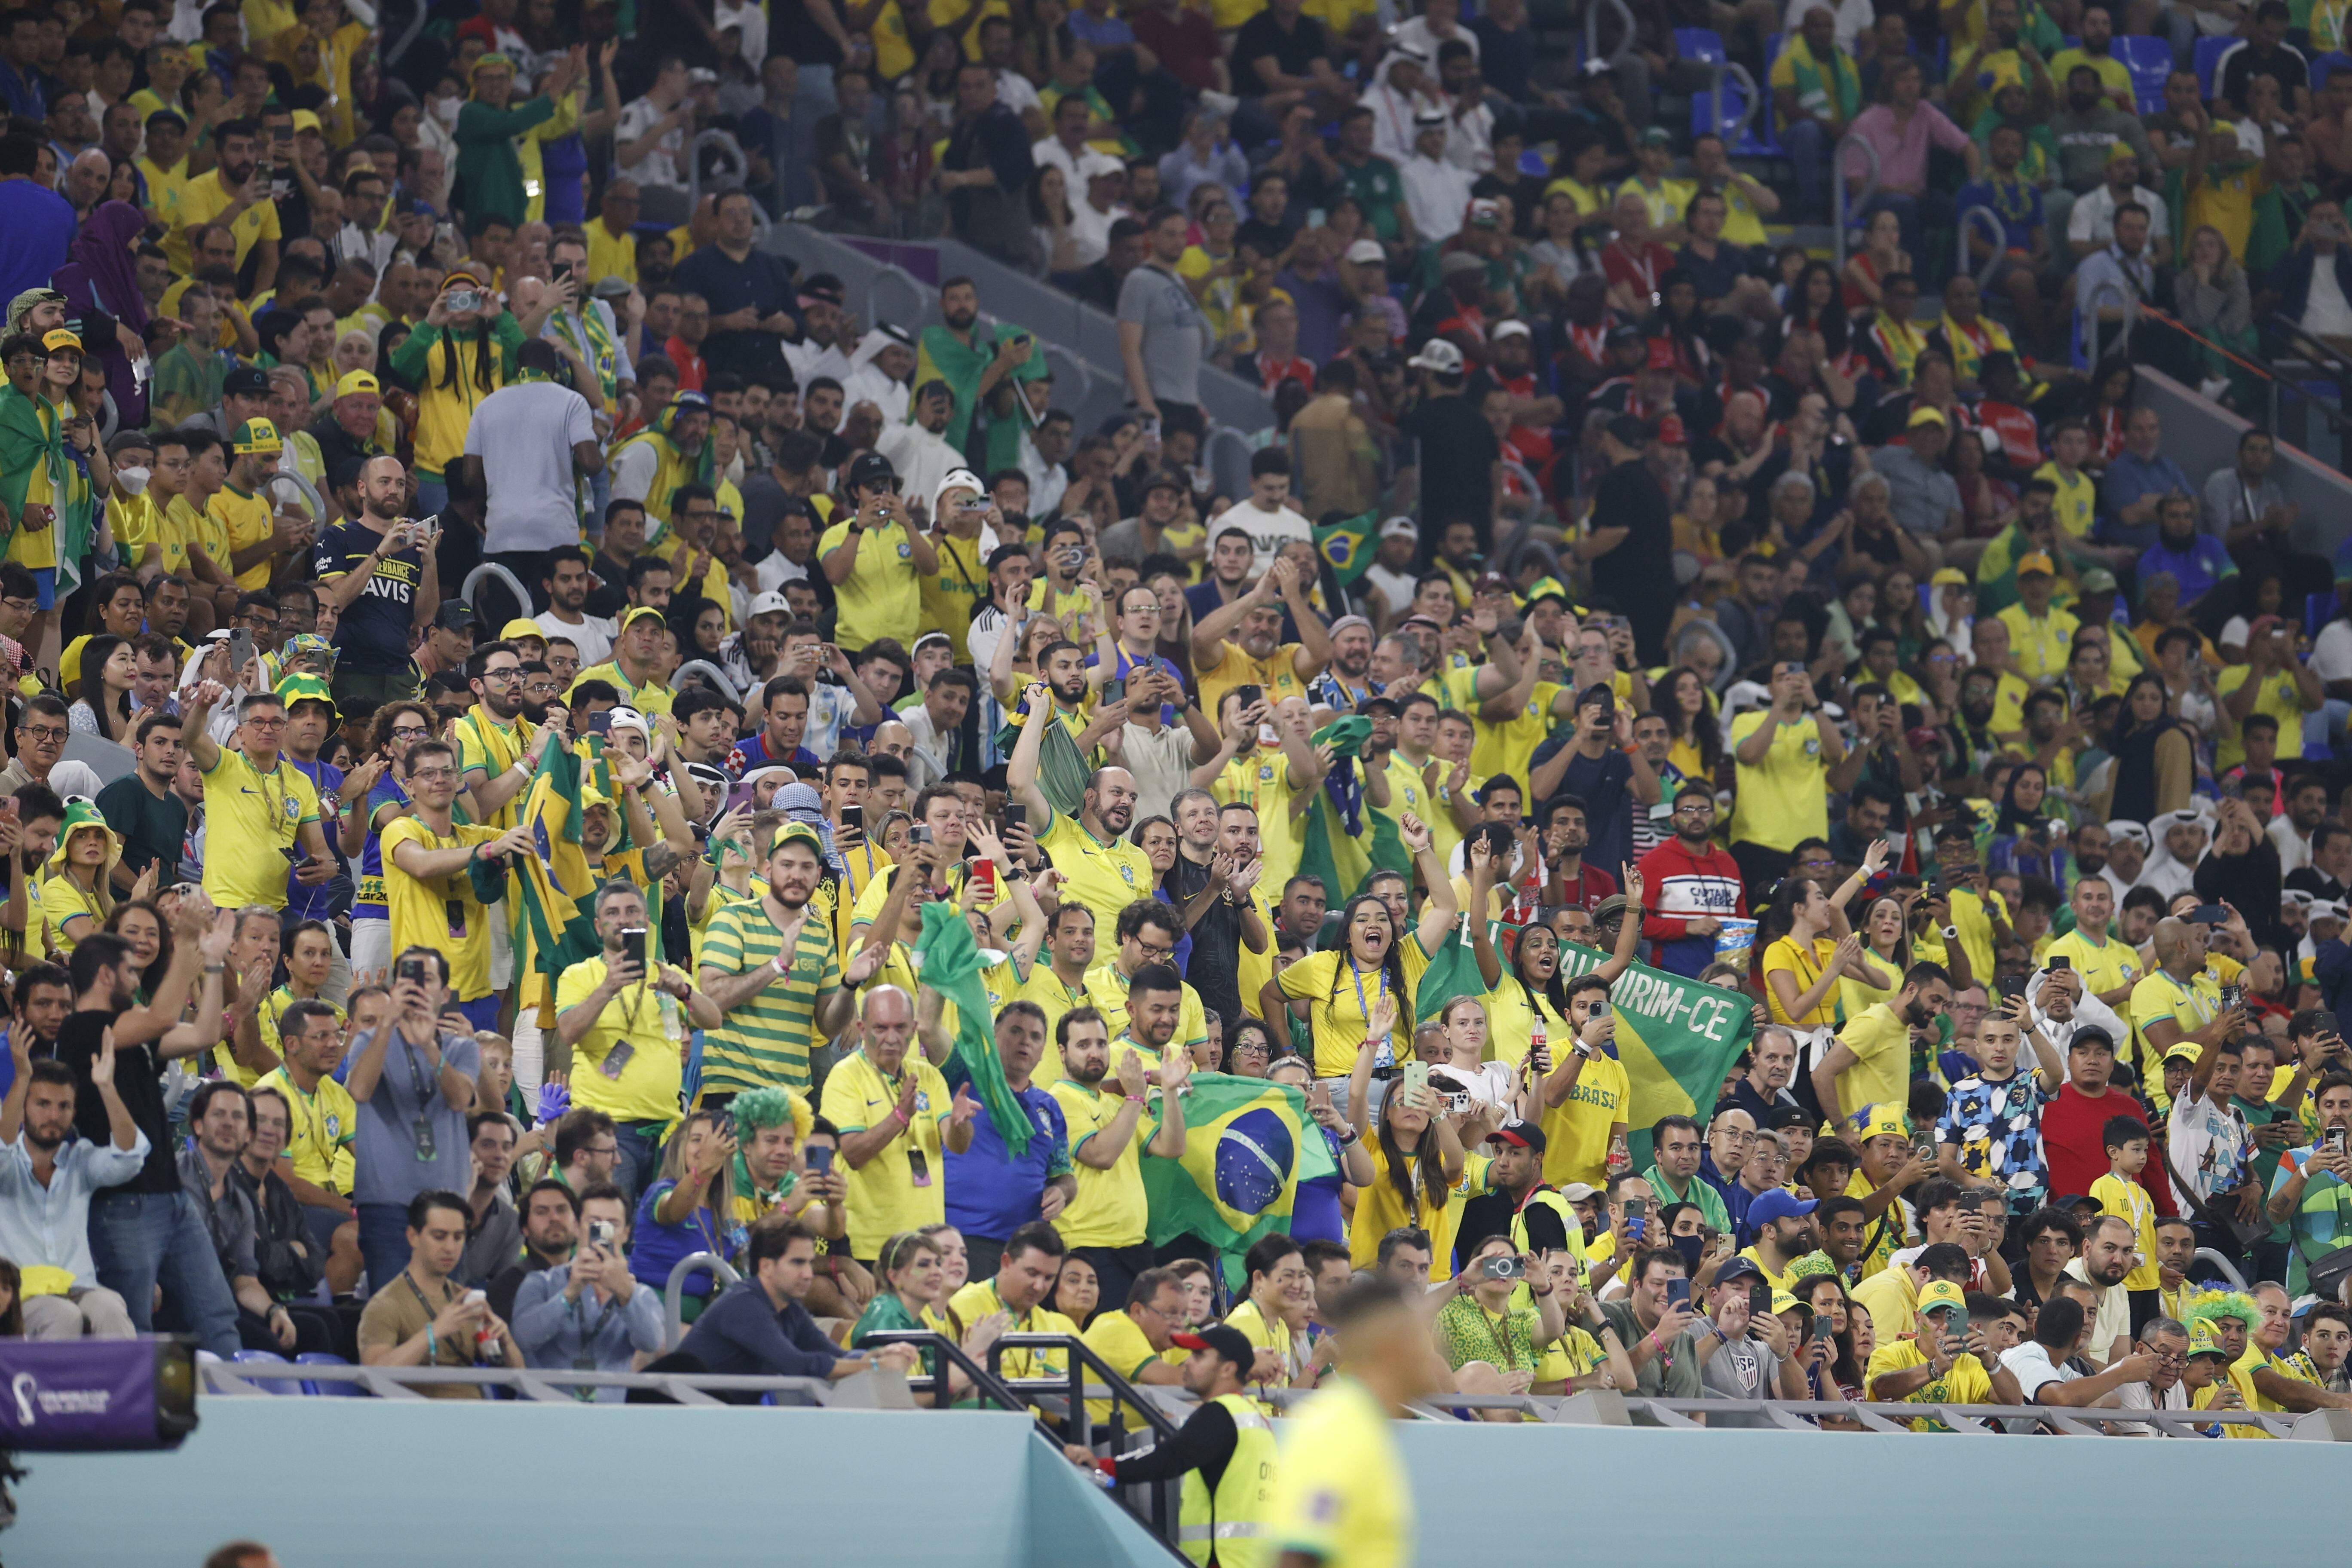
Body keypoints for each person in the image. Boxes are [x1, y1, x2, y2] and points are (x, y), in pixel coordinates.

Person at [557, 878, 723, 1197]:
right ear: (598, 925)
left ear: (647, 922)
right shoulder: (579, 976)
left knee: (658, 1233)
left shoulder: (667, 974)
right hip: (606, 1133)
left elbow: (713, 1019)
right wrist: (607, 988)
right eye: (613, 913)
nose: (623, 919)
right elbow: (569, 1032)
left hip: (668, 1131)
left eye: (633, 911)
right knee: (609, 1224)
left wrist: (684, 991)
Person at [1265, 1279, 1436, 1568]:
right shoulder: (1338, 1429)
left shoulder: (1365, 1426)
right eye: (1419, 1332)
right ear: (1391, 1344)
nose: (1434, 1347)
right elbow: (1297, 1555)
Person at [1069, 1318, 1277, 1554]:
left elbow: (1169, 1457)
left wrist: (1103, 1467)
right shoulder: (1254, 1417)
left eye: (1198, 1356)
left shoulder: (1220, 1413)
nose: (1187, 1363)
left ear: (1227, 1369)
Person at [345, 947, 484, 1291]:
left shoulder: (461, 1048)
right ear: (395, 989)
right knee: (389, 1312)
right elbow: (359, 1091)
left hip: (447, 1203)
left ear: (445, 994)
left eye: (428, 980)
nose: (418, 989)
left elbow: (461, 1099)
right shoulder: (368, 1041)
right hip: (385, 1201)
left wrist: (430, 1048)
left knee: (444, 1314)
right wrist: (388, 1023)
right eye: (409, 980)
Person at [1050, 1004, 1189, 1310]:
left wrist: (1168, 1089)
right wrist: (1136, 1096)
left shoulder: (1115, 1104)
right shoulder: (1059, 1100)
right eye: (1083, 1045)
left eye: (1101, 1044)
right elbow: (1101, 1154)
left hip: (1133, 1247)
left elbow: (1172, 1146)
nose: (1095, 1053)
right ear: (1062, 1052)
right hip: (1088, 1250)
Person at [0, 1034, 140, 1338]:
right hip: (18, 1297)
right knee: (63, 1316)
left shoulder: (81, 1160)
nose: (53, 1115)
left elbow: (129, 1159)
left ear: (74, 1113)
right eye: (43, 1104)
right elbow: (2, 1146)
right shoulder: (8, 1167)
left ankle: (121, 1388)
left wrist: (107, 1087)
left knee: (111, 1308)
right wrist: (22, 1076)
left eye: (64, 1106)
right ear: (23, 1110)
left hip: (80, 1287)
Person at [355, 1188, 523, 1398]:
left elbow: (519, 1383)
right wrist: (435, 1332)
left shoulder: (466, 1300)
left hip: (476, 1417)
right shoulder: (385, 1304)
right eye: (439, 1236)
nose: (450, 1248)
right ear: (413, 1237)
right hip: (421, 1421)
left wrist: (505, 1341)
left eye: (458, 1237)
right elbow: (374, 1376)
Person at [510, 1182, 666, 1400]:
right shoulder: (540, 1283)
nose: (603, 1233)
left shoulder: (641, 1295)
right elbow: (524, 1339)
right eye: (594, 1224)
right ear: (576, 1227)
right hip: (545, 1415)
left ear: (626, 1233)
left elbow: (652, 1343)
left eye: (612, 1225)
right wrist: (570, 1293)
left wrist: (625, 1295)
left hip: (607, 1421)